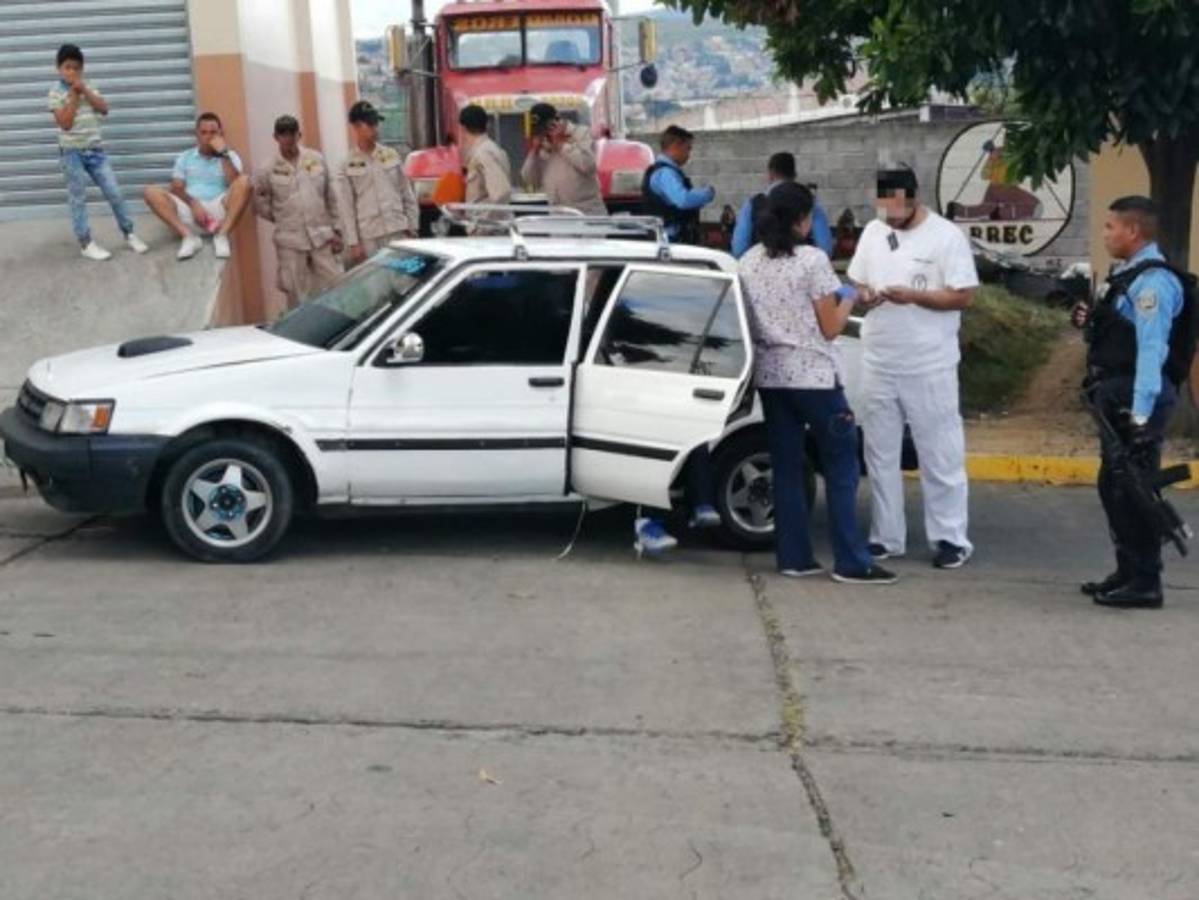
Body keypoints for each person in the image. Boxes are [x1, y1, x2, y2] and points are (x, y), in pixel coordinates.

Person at [738, 182, 897, 585]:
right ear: (800, 219)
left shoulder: (749, 261)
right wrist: (850, 298)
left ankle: (794, 557)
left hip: (771, 378)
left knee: (788, 470)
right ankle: (851, 561)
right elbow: (830, 328)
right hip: (815, 379)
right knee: (842, 468)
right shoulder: (812, 260)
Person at [847, 164, 979, 569]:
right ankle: (887, 537)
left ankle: (950, 538)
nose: (890, 217)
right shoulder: (873, 232)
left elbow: (962, 296)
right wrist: (865, 293)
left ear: (913, 198)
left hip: (929, 364)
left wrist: (914, 298)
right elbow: (854, 281)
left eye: (897, 209)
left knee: (939, 451)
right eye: (884, 207)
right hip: (879, 359)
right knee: (879, 454)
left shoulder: (945, 237)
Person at [1073, 196, 1188, 609]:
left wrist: (1140, 416)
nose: (1105, 234)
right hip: (1114, 392)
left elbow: (1151, 351)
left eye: (1110, 227)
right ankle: (1127, 570)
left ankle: (1145, 581)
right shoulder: (1128, 276)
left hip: (1136, 398)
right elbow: (1116, 331)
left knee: (1134, 488)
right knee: (1114, 485)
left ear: (1133, 232)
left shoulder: (1154, 283)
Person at [48, 43, 148, 261]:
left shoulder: (89, 86)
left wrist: (83, 90)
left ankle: (129, 233)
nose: (72, 72)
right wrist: (74, 96)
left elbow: (104, 109)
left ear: (82, 69)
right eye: (67, 67)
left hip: (95, 150)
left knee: (114, 192)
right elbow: (64, 123)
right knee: (78, 198)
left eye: (76, 68)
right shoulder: (55, 93)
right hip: (71, 153)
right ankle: (85, 243)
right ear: (59, 68)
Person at [252, 115, 344, 310]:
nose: (288, 139)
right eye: (283, 134)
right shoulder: (267, 169)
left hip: (321, 236)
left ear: (298, 134)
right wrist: (283, 218)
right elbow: (261, 204)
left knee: (337, 285)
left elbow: (330, 197)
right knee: (296, 295)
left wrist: (337, 230)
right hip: (290, 240)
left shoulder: (316, 159)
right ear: (275, 137)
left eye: (291, 134)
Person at [144, 112, 251, 260]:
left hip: (218, 208)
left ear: (221, 134)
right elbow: (176, 188)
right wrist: (194, 203)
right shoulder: (185, 157)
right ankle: (188, 237)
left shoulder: (230, 156)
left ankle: (221, 236)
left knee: (245, 181)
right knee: (150, 191)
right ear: (197, 135)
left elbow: (236, 184)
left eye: (213, 132)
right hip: (190, 209)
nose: (208, 136)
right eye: (204, 132)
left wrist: (223, 154)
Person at [335, 100, 419, 265]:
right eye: (371, 124)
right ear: (357, 126)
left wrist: (413, 226)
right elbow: (346, 207)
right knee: (377, 288)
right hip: (369, 237)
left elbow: (407, 193)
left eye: (376, 123)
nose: (375, 128)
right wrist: (353, 242)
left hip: (397, 231)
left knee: (403, 284)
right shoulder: (346, 164)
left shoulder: (391, 155)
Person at [731, 152, 832, 258]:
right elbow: (825, 249)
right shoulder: (811, 203)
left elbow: (739, 250)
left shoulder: (752, 204)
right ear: (794, 175)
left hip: (761, 269)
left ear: (770, 175)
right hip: (801, 269)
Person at [519, 103, 607, 216]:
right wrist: (534, 152)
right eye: (540, 130)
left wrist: (561, 144)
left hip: (586, 211)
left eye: (546, 128)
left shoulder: (582, 133)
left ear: (556, 122)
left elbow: (588, 166)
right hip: (558, 214)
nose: (544, 133)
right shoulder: (544, 145)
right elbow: (530, 180)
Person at [640, 125, 715, 245]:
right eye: (687, 149)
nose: (689, 154)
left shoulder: (662, 171)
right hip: (670, 239)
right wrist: (708, 194)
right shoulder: (666, 173)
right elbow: (683, 200)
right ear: (675, 146)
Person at [458, 104, 512, 208]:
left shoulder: (483, 154)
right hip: (492, 222)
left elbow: (500, 193)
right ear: (487, 125)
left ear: (463, 128)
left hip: (488, 223)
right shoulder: (490, 149)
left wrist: (478, 217)